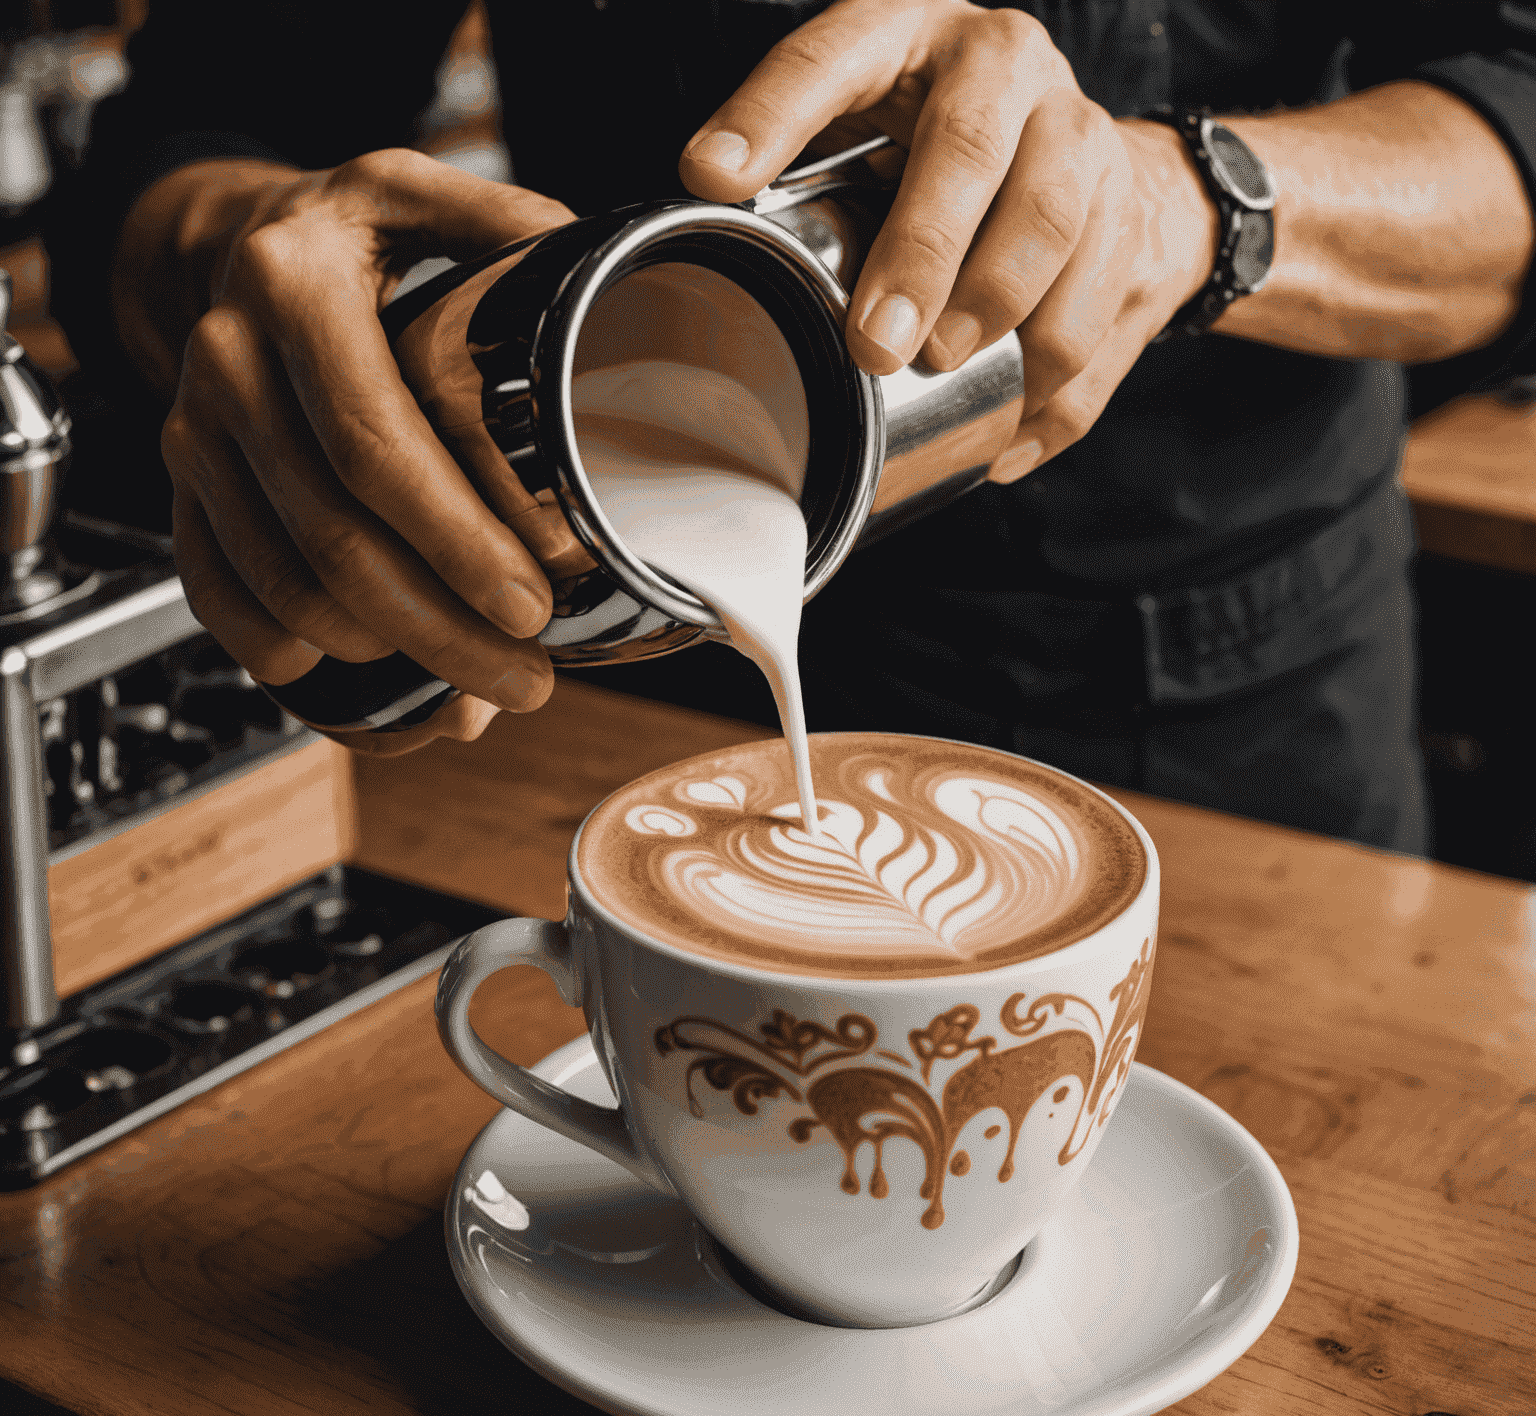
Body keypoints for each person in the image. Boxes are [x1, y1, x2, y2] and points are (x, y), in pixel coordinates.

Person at [44, 0, 1536, 854]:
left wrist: (1189, 202)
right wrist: (234, 248)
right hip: (616, 672)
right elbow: (185, 143)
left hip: (1231, 723)